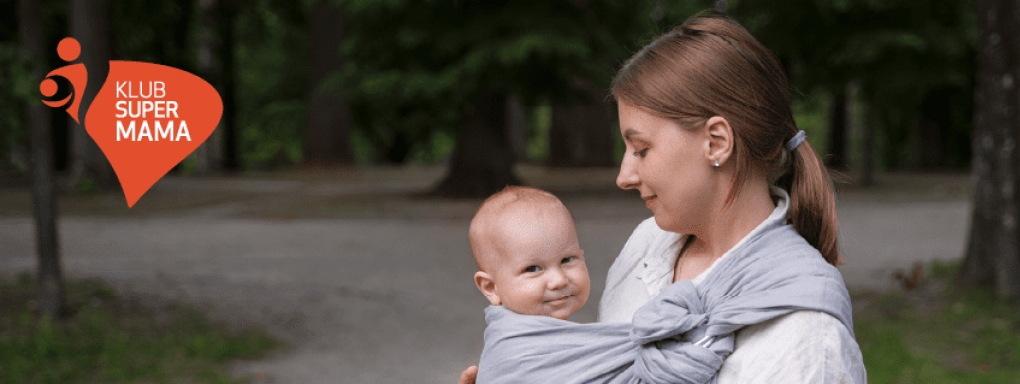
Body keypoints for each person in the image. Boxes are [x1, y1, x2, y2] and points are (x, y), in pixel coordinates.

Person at [460, 13, 865, 384]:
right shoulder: (648, 246)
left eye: (641, 149)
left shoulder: (806, 335)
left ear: (716, 142)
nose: (624, 176)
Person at [469, 186, 591, 321]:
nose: (559, 280)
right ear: (491, 287)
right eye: (532, 269)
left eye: (567, 260)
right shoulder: (522, 340)